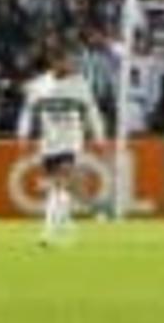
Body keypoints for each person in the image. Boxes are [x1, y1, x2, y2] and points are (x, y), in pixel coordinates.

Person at [19, 44, 110, 248]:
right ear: (54, 63)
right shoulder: (39, 86)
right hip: (49, 143)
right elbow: (27, 111)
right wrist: (23, 135)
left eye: (70, 61)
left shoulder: (80, 84)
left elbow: (92, 111)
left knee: (60, 182)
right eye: (65, 61)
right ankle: (65, 219)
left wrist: (100, 137)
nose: (70, 64)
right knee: (62, 186)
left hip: (71, 142)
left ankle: (46, 234)